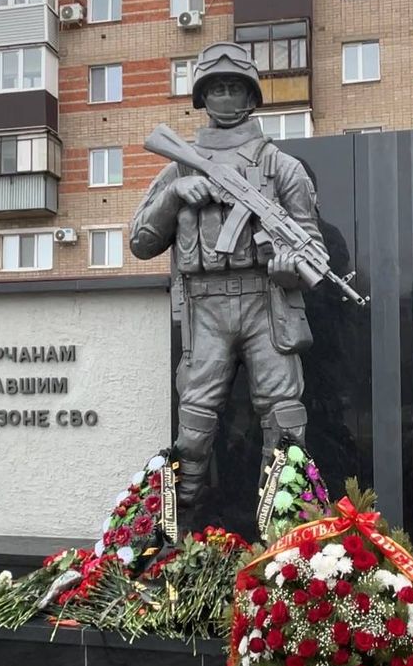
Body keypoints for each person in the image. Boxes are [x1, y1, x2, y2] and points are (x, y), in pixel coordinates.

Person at [130, 41, 327, 533]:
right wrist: (175, 195)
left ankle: (284, 540)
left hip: (267, 303)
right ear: (201, 96)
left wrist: (287, 268)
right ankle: (175, 537)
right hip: (205, 308)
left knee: (285, 420)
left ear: (251, 95)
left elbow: (310, 243)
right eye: (215, 88)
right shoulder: (179, 167)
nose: (224, 96)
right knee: (194, 427)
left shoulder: (282, 167)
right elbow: (141, 242)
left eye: (233, 87)